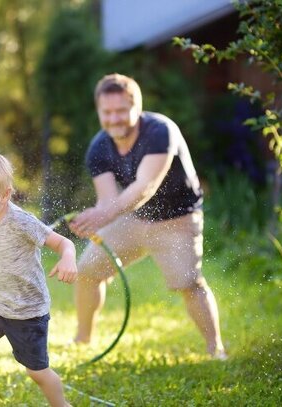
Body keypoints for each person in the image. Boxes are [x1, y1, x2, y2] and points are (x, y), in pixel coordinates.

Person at [69, 73, 227, 359]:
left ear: (137, 107)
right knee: (87, 272)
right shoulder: (99, 147)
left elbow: (146, 186)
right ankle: (82, 340)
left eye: (121, 111)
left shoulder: (159, 131)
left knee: (189, 284)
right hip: (131, 218)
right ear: (99, 111)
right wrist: (93, 218)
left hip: (177, 221)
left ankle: (215, 349)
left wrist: (105, 214)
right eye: (107, 112)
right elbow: (107, 200)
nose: (114, 118)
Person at [0, 148, 77, 407]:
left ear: (5, 195)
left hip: (27, 312)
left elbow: (65, 244)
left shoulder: (21, 222)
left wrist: (68, 259)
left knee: (37, 372)